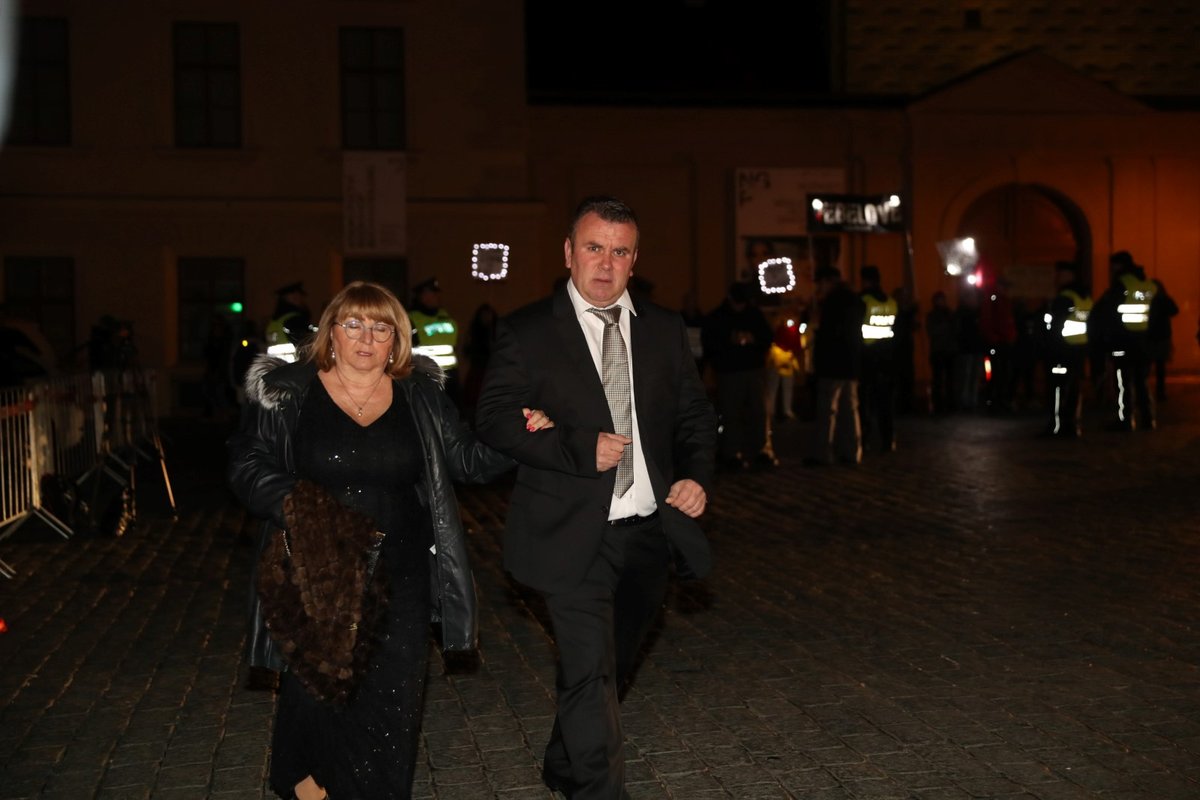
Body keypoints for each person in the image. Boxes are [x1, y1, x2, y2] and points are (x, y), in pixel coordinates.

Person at [227, 280, 551, 800]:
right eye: (353, 324)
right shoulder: (289, 392)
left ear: (396, 339)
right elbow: (247, 464)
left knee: (389, 708)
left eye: (381, 327)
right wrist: (301, 505)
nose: (366, 338)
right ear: (331, 333)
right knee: (318, 701)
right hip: (315, 571)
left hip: (402, 571)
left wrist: (519, 435)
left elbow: (466, 458)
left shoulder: (419, 395)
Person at [474, 195, 717, 799]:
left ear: (634, 261)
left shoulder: (662, 330)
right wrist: (578, 447)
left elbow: (694, 417)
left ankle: (564, 762)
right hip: (570, 532)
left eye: (620, 251)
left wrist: (695, 475)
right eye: (593, 248)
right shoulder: (529, 331)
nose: (605, 264)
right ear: (568, 253)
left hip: (646, 535)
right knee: (588, 671)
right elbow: (495, 419)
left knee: (612, 667)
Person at [700, 280, 774, 470]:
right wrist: (729, 342)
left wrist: (753, 340)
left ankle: (761, 451)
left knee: (758, 412)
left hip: (752, 370)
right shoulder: (718, 317)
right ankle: (732, 453)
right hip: (730, 372)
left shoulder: (753, 314)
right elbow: (710, 345)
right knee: (731, 413)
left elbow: (767, 337)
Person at [805, 266, 865, 466]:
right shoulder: (855, 300)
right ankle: (852, 451)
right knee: (850, 409)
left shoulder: (832, 302)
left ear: (829, 281)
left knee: (826, 409)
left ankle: (822, 452)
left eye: (821, 283)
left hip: (832, 362)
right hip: (851, 362)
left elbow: (829, 335)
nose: (819, 287)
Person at [1097, 252, 1156, 430]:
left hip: (1123, 340)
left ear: (1119, 265)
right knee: (1141, 381)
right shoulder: (1147, 284)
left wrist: (1107, 338)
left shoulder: (1121, 283)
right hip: (1143, 341)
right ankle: (1148, 418)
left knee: (1123, 382)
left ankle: (1125, 419)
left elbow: (1109, 311)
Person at [1041, 261, 1091, 438]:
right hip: (1078, 351)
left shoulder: (1064, 297)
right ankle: (1072, 426)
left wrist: (1048, 348)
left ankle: (1056, 426)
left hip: (1061, 351)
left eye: (1059, 273)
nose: (1056, 277)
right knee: (1074, 390)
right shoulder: (1083, 297)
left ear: (1068, 275)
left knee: (1057, 390)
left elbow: (1055, 326)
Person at [858, 265, 898, 453]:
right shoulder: (891, 302)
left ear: (866, 280)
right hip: (887, 358)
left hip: (867, 358)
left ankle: (863, 440)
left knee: (864, 403)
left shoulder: (863, 300)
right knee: (885, 404)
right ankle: (888, 440)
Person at [409, 277, 462, 408]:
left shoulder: (445, 316)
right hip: (425, 375)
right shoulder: (411, 319)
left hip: (450, 375)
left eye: (436, 294)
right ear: (422, 296)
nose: (436, 297)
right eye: (431, 294)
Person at [461, 302, 498, 421]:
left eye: (488, 315)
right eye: (484, 315)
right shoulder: (475, 332)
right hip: (478, 370)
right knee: (474, 401)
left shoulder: (497, 331)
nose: (486, 318)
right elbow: (467, 350)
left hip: (492, 371)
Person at [925, 290, 957, 415]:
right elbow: (932, 331)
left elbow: (955, 330)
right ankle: (939, 404)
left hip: (947, 350)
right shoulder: (934, 315)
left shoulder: (949, 314)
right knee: (938, 380)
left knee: (949, 379)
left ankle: (949, 403)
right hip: (939, 350)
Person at [1147, 277, 1179, 402]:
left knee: (1148, 365)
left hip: (1151, 336)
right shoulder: (1164, 299)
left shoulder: (1150, 300)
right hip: (1162, 336)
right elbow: (1175, 310)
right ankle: (1160, 392)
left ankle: (1147, 392)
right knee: (1160, 367)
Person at [265, 281, 314, 362]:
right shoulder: (295, 320)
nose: (300, 299)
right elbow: (306, 346)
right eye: (297, 296)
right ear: (290, 297)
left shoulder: (275, 322)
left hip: (275, 368)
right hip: (294, 368)